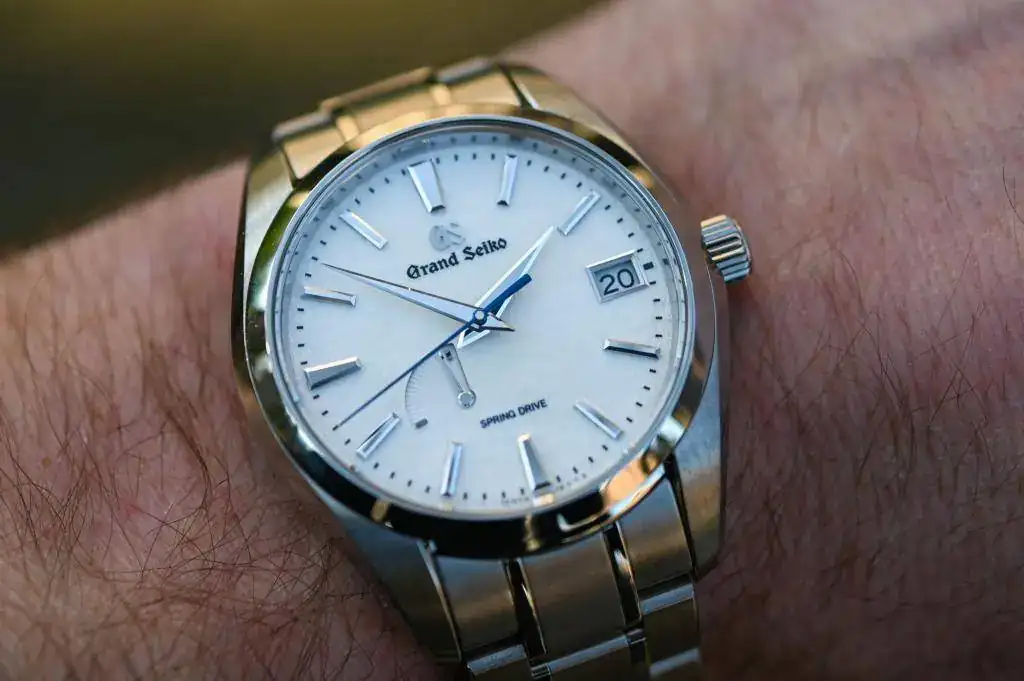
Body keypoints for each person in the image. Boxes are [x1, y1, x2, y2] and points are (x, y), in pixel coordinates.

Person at [1, 0, 1021, 678]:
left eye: (488, 310)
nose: (482, 321)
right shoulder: (289, 354)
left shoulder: (668, 296)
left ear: (706, 255)